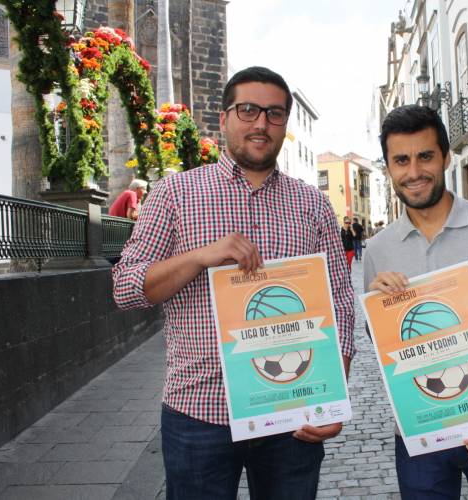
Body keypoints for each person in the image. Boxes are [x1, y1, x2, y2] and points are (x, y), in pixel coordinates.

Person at [112, 66, 355, 500]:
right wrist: (200, 257)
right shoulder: (175, 195)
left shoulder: (312, 204)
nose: (261, 123)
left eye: (274, 113)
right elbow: (126, 288)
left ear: (284, 125)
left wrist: (334, 397)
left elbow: (340, 302)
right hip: (199, 413)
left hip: (292, 412)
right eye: (248, 110)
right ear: (224, 118)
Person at [364, 105, 468, 500]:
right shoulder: (378, 249)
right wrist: (380, 308)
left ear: (445, 157)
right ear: (388, 168)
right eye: (401, 160)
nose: (414, 172)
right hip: (420, 432)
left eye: (425, 156)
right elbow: (383, 345)